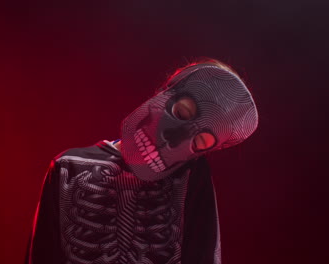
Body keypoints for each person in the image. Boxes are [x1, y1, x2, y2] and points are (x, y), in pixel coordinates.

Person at [25, 58, 258, 264]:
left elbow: (203, 256)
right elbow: (41, 256)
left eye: (199, 141)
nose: (174, 139)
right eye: (182, 113)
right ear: (163, 92)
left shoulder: (190, 176)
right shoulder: (68, 166)